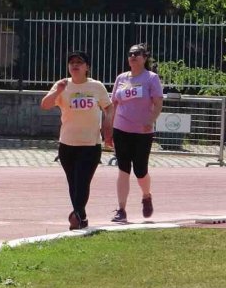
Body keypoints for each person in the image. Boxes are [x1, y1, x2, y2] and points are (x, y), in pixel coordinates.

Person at [40, 50, 113, 230]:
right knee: (73, 184)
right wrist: (58, 91)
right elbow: (45, 105)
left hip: (90, 144)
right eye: (71, 62)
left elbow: (109, 107)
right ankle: (81, 217)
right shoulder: (62, 85)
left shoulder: (96, 87)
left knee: (82, 181)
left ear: (87, 67)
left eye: (79, 62)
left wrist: (108, 125)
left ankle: (77, 215)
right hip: (67, 144)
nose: (75, 65)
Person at [109, 43, 164, 223]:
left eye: (137, 54)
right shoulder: (121, 78)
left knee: (140, 171)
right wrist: (108, 129)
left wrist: (150, 121)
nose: (133, 57)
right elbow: (113, 105)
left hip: (142, 132)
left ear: (144, 58)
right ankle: (121, 209)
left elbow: (158, 104)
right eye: (130, 54)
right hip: (121, 129)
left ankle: (146, 195)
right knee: (123, 169)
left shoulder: (151, 78)